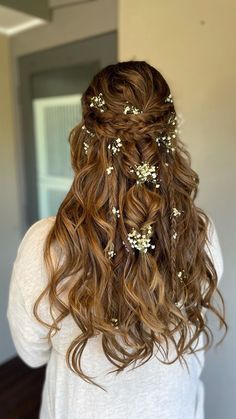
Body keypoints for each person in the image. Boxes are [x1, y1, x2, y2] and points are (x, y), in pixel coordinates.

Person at [7, 61, 227, 419]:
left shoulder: (46, 244)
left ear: (87, 141)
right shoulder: (200, 231)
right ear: (168, 140)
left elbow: (31, 354)